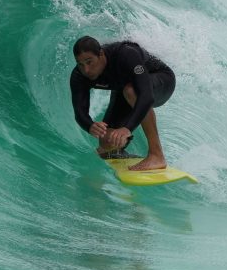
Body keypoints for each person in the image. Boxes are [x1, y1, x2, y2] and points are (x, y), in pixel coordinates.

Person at [70, 36, 175, 171]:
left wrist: (127, 128)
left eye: (89, 62)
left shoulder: (125, 54)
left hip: (161, 81)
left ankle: (156, 155)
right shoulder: (79, 75)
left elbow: (146, 96)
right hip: (124, 90)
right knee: (106, 145)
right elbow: (79, 112)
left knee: (131, 91)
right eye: (80, 64)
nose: (86, 70)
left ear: (101, 54)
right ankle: (119, 151)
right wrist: (90, 126)